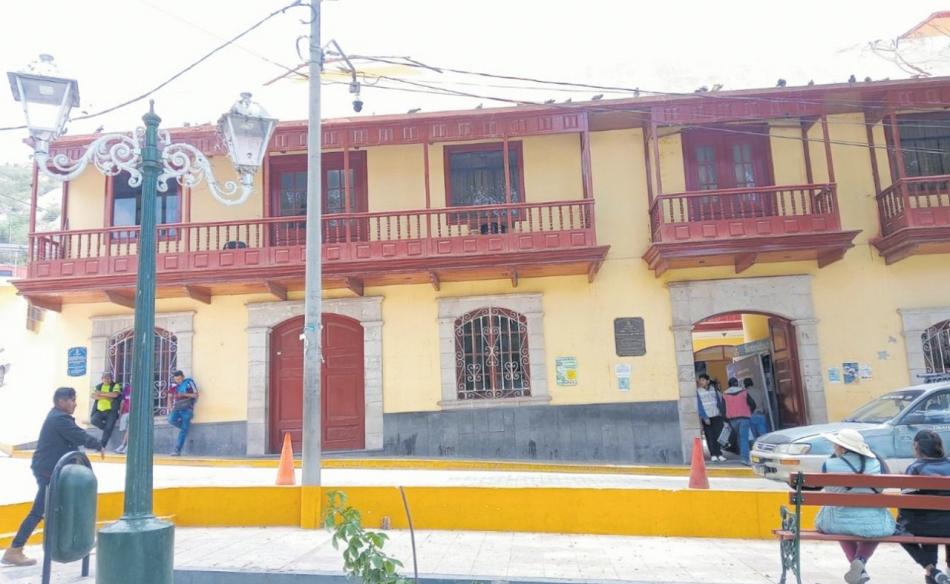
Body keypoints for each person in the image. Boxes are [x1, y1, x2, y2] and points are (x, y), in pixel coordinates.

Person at [1, 387, 104, 567]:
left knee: (55, 507)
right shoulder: (59, 419)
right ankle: (15, 549)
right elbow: (78, 435)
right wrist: (97, 444)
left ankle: (74, 544)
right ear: (61, 401)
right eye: (72, 400)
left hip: (49, 468)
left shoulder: (57, 417)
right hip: (49, 470)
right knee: (39, 510)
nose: (75, 404)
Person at [815, 429, 896, 584]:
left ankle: (859, 567)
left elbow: (828, 489)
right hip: (873, 520)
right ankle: (860, 560)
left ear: (843, 447)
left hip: (838, 521)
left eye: (836, 444)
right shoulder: (876, 463)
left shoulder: (829, 464)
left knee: (840, 526)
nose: (834, 447)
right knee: (877, 530)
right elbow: (883, 487)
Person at [899, 430, 950, 584]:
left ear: (917, 446)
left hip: (926, 527)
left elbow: (907, 504)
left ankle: (931, 569)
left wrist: (903, 524)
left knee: (901, 530)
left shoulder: (915, 468)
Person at [723, 377, 756, 464]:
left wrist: (726, 420)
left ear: (729, 385)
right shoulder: (744, 392)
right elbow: (753, 404)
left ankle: (742, 455)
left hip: (732, 420)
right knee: (744, 438)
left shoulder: (725, 394)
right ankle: (745, 458)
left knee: (739, 437)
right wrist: (749, 412)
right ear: (737, 383)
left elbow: (723, 409)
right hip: (744, 418)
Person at [696, 373, 727, 462]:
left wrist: (721, 414)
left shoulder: (714, 390)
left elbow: (719, 402)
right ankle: (713, 454)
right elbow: (699, 406)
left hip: (717, 416)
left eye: (703, 380)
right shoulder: (698, 392)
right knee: (710, 436)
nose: (701, 382)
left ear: (708, 381)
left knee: (718, 436)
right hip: (707, 418)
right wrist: (704, 417)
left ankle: (719, 454)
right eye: (700, 380)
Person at [168, 370, 199, 456]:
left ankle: (177, 450)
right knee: (171, 420)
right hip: (177, 407)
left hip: (187, 408)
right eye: (176, 379)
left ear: (183, 377)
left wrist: (184, 394)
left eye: (179, 379)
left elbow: (196, 395)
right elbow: (169, 396)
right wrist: (169, 406)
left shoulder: (189, 383)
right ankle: (184, 428)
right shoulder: (173, 385)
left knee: (183, 430)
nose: (178, 381)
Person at [89, 372, 123, 449]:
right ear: (102, 379)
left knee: (109, 427)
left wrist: (100, 393)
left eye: (109, 378)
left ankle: (102, 446)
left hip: (111, 411)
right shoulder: (98, 386)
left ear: (112, 379)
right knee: (93, 420)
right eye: (105, 378)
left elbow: (115, 395)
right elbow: (93, 395)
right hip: (99, 410)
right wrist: (108, 397)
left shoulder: (115, 385)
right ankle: (107, 430)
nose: (107, 379)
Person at [114, 383, 133, 454]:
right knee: (125, 430)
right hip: (125, 412)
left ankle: (124, 446)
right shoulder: (127, 388)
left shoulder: (139, 388)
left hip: (133, 413)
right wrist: (120, 413)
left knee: (129, 429)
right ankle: (126, 445)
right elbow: (122, 402)